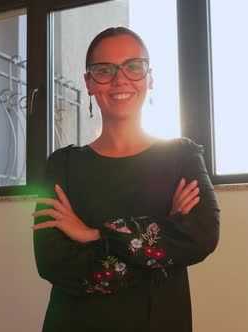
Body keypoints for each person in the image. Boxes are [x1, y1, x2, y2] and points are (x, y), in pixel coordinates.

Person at [31, 27, 220, 332]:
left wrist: (93, 235)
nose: (120, 79)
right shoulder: (61, 165)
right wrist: (162, 238)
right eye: (104, 70)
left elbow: (202, 237)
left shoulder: (182, 155)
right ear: (89, 83)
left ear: (150, 77)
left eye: (133, 67)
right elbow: (53, 262)